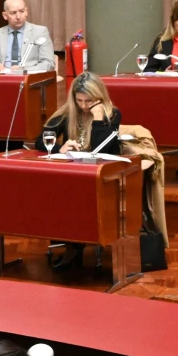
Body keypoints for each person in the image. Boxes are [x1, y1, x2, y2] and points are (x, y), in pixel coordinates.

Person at [35, 73, 123, 270]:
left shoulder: (112, 115)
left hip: (103, 176)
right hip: (74, 175)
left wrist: (98, 118)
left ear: (99, 97)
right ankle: (73, 244)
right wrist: (60, 148)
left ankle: (74, 248)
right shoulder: (68, 113)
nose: (83, 106)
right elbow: (40, 140)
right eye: (79, 100)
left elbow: (103, 149)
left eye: (88, 101)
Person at [0, 0, 55, 73]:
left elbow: (49, 64)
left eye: (22, 11)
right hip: (3, 79)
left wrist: (24, 70)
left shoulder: (40, 32)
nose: (18, 17)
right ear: (5, 15)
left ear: (26, 12)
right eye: (13, 13)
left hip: (29, 79)